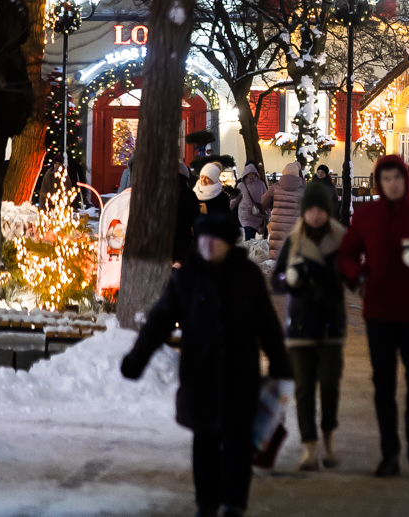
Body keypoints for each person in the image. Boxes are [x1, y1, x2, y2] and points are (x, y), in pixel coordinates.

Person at [121, 212, 292, 517]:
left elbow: (267, 324)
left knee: (238, 445)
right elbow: (159, 321)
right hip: (200, 376)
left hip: (240, 375)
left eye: (215, 240)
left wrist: (280, 364)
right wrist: (136, 360)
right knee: (205, 445)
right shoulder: (187, 276)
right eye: (203, 239)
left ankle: (234, 504)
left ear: (228, 243)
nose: (208, 246)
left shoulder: (247, 276)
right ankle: (207, 504)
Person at [337, 155, 409, 477]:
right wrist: (358, 276)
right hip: (379, 313)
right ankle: (389, 451)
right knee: (383, 384)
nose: (392, 184)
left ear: (406, 180)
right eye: (386, 178)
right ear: (378, 182)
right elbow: (346, 254)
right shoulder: (367, 217)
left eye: (397, 178)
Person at [271, 180, 347, 472]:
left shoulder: (341, 240)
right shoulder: (294, 240)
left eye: (320, 209)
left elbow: (352, 274)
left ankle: (328, 441)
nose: (315, 215)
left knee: (329, 386)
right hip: (301, 324)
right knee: (303, 389)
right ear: (304, 211)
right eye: (310, 209)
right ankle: (309, 448)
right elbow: (275, 280)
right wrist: (289, 279)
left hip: (331, 324)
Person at [263, 162, 304, 260]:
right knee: (293, 255)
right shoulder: (303, 189)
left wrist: (275, 207)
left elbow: (264, 201)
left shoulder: (275, 187)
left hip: (278, 226)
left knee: (276, 255)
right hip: (295, 226)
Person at [233, 163, 269, 241]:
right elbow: (235, 200)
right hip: (246, 215)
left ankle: (251, 250)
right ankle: (248, 251)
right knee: (249, 234)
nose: (251, 175)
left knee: (253, 235)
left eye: (253, 173)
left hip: (258, 214)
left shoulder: (261, 184)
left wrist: (268, 211)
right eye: (249, 174)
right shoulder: (241, 185)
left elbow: (266, 197)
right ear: (245, 174)